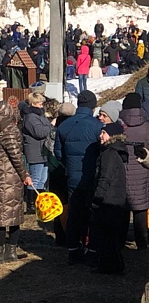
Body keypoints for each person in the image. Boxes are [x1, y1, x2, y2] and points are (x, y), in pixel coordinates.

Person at [54, 90, 102, 265]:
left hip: (72, 176)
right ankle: (91, 249)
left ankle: (73, 250)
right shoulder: (97, 126)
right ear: (93, 105)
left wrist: (70, 166)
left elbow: (58, 153)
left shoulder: (64, 126)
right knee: (92, 214)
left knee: (74, 214)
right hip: (91, 177)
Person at [0, 101, 32, 263]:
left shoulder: (9, 133)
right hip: (5, 178)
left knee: (2, 216)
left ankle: (0, 251)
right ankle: (8, 250)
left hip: (6, 180)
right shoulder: (5, 131)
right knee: (10, 215)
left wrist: (24, 175)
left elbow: (16, 157)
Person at [89, 121, 129, 274]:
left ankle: (114, 267)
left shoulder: (109, 154)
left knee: (107, 237)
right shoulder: (114, 152)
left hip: (109, 201)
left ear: (111, 136)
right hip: (115, 199)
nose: (100, 135)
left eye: (103, 133)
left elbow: (105, 178)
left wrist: (97, 198)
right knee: (108, 237)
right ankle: (108, 266)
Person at [118, 93, 149, 250]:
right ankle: (142, 242)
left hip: (123, 170)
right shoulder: (147, 126)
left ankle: (121, 240)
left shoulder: (119, 126)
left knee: (123, 208)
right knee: (140, 207)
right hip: (142, 172)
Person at [22, 92, 52, 214]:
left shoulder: (40, 115)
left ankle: (38, 202)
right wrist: (51, 127)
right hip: (35, 151)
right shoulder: (30, 117)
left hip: (43, 151)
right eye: (40, 103)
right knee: (35, 178)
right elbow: (39, 132)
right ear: (34, 103)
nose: (41, 105)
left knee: (43, 178)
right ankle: (30, 204)